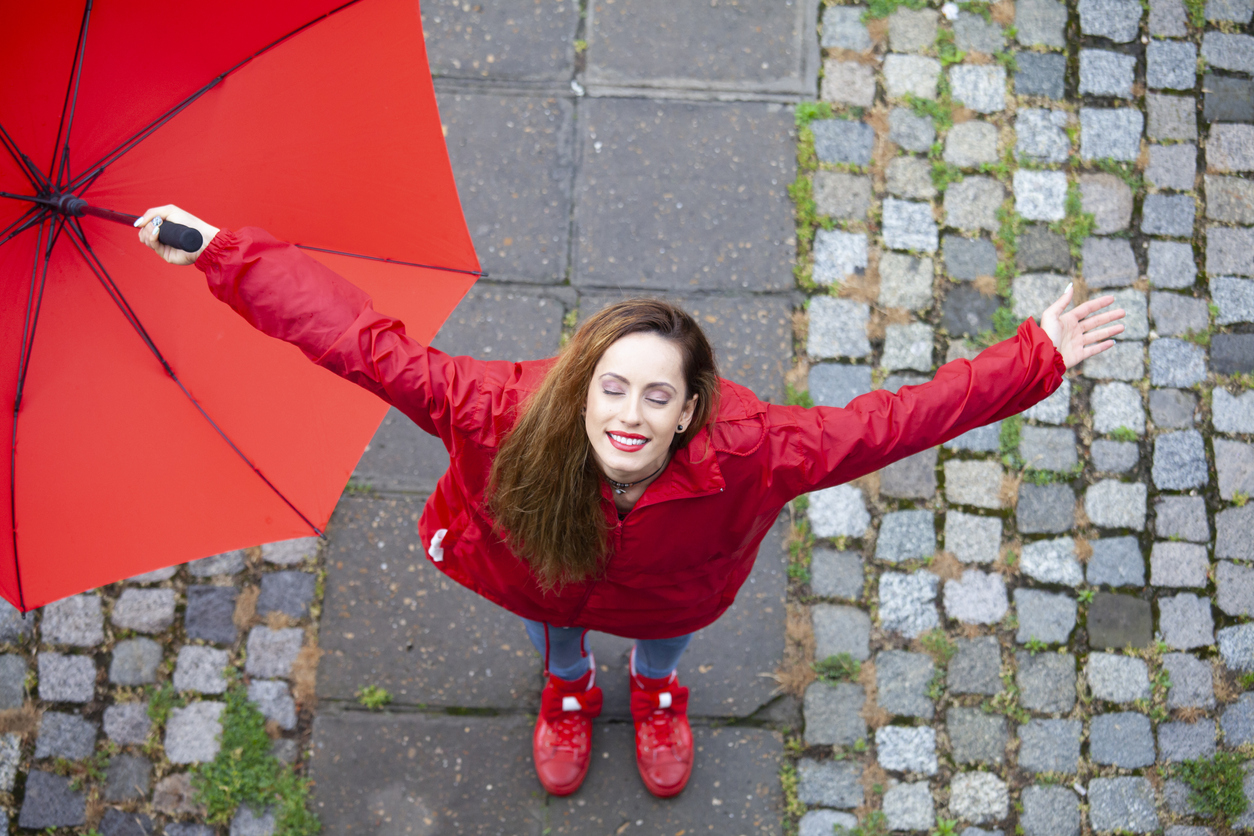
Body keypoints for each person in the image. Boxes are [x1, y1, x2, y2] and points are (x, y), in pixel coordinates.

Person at [136, 205, 1125, 799]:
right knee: (554, 633)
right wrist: (225, 252)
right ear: (581, 381)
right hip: (536, 575)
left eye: (658, 394)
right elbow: (355, 339)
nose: (631, 412)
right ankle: (568, 687)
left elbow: (895, 421)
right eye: (614, 385)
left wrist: (1034, 356)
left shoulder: (758, 452)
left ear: (691, 403)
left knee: (659, 645)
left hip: (671, 599)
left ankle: (657, 691)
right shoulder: (491, 411)